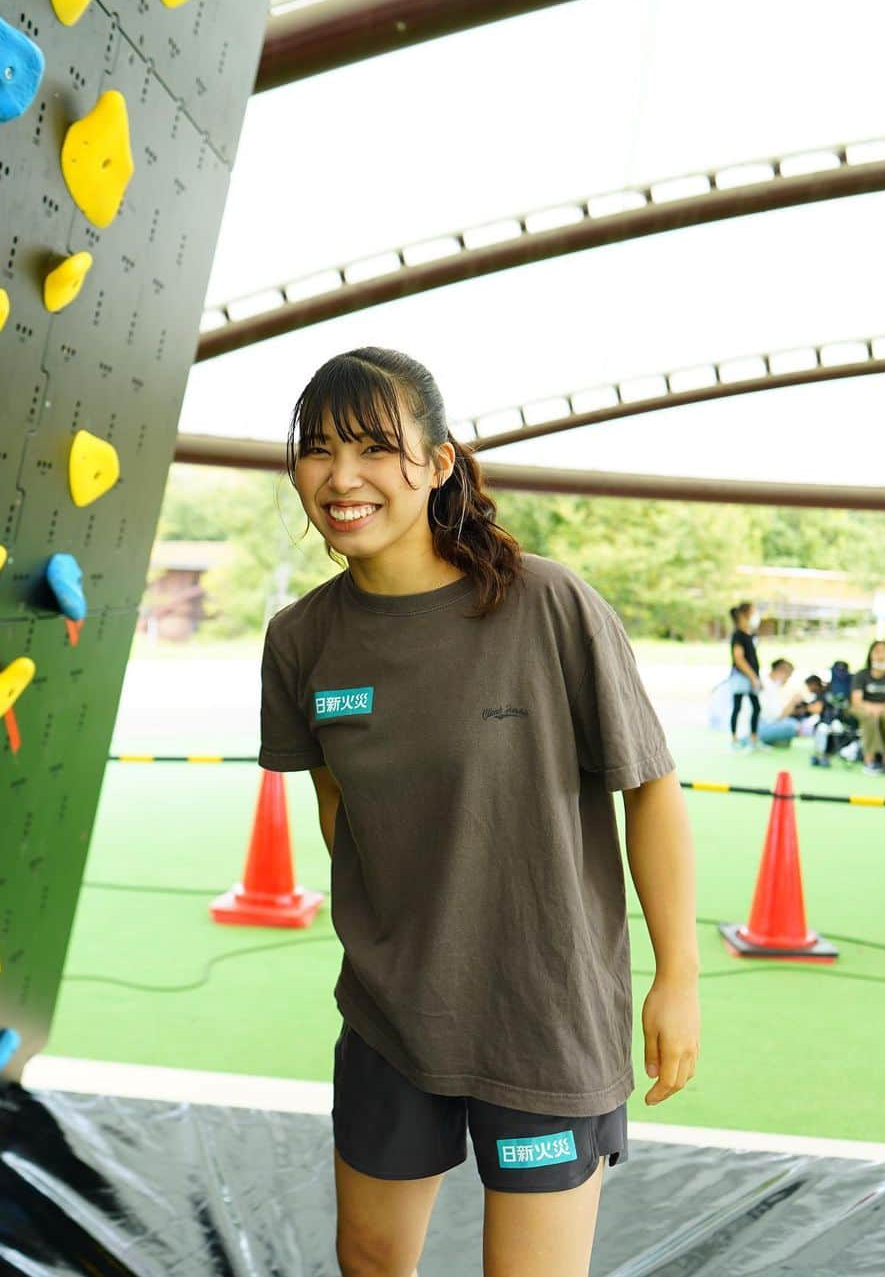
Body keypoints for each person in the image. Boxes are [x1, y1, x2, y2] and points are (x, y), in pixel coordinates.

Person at [257, 347, 700, 1277]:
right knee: (372, 1261)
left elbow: (651, 784)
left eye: (377, 448)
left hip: (544, 1017)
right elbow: (341, 810)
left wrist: (678, 977)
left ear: (440, 461)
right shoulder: (302, 639)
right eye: (319, 449)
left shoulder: (546, 604)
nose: (343, 478)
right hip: (390, 1020)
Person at [850, 640, 885, 775]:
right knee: (870, 717)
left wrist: (881, 708)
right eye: (877, 651)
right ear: (870, 655)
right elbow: (856, 700)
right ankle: (869, 759)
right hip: (862, 707)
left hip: (883, 708)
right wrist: (871, 708)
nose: (881, 655)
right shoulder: (861, 675)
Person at [727, 601, 765, 752]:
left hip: (753, 676)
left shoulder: (751, 634)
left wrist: (756, 676)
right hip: (742, 677)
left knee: (756, 707)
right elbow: (739, 658)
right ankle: (734, 739)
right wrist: (752, 676)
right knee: (737, 707)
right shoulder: (738, 635)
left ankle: (753, 739)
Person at [755, 658, 815, 746]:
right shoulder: (767, 686)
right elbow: (777, 717)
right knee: (793, 725)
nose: (788, 680)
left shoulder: (771, 685)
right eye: (789, 676)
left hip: (763, 724)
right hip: (758, 728)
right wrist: (793, 702)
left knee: (789, 726)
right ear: (781, 671)